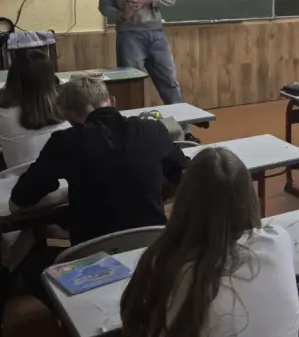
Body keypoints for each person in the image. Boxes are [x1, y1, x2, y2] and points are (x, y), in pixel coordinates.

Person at [10, 77, 189, 304]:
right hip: (151, 250)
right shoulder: (153, 130)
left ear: (68, 116)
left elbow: (19, 200)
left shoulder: (64, 142)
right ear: (112, 101)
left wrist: (62, 195)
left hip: (92, 261)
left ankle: (72, 312)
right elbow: (184, 175)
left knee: (32, 265)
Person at [120, 147, 299, 337]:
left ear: (184, 202)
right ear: (250, 197)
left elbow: (135, 321)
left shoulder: (168, 268)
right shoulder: (279, 240)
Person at [0, 49, 68, 168]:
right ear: (50, 79)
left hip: (17, 178)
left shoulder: (3, 113)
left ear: (12, 78)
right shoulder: (66, 109)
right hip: (62, 177)